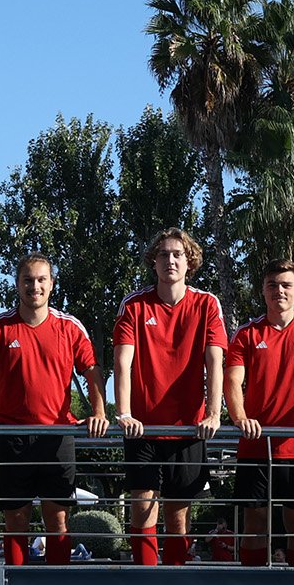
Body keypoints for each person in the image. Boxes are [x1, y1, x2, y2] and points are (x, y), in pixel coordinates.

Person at [0, 255, 108, 566]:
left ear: (51, 285)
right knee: (16, 519)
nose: (35, 286)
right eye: (28, 280)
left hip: (57, 436)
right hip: (13, 436)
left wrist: (98, 411)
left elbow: (92, 371)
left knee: (57, 519)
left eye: (42, 279)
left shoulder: (69, 327)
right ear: (18, 284)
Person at [112, 228, 227, 566]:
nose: (170, 260)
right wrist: (124, 412)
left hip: (188, 427)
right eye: (163, 254)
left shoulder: (206, 303)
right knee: (142, 503)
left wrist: (214, 413)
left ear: (189, 261)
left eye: (177, 254)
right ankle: (143, 578)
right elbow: (122, 362)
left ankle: (174, 577)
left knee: (178, 511)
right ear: (154, 261)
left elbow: (215, 361)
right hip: (143, 427)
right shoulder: (134, 304)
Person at [226, 259, 294, 567]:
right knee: (254, 524)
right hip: (255, 444)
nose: (279, 291)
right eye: (272, 285)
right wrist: (239, 418)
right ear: (263, 291)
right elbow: (232, 381)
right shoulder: (246, 334)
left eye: (286, 285)